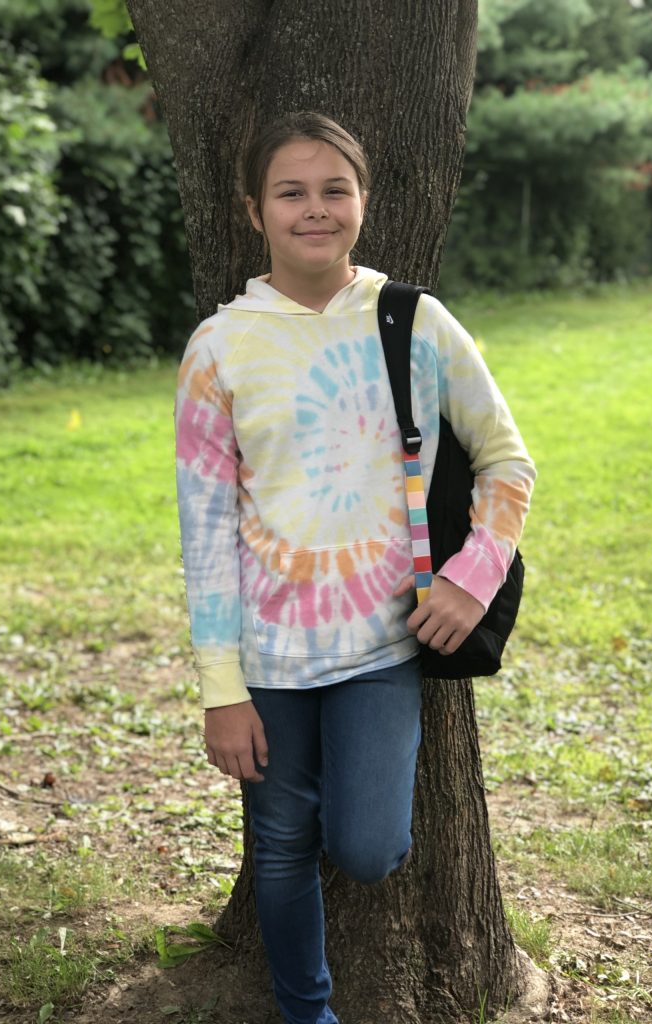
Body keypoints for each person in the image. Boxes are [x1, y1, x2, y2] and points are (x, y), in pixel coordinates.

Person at [174, 111, 535, 1024]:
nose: (315, 209)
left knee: (369, 848)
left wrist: (471, 578)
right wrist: (221, 688)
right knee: (281, 845)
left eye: (335, 189)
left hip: (383, 645)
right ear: (253, 210)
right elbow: (205, 530)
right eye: (290, 192)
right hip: (268, 658)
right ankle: (308, 1013)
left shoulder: (415, 322)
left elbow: (507, 461)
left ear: (364, 200)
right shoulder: (218, 347)